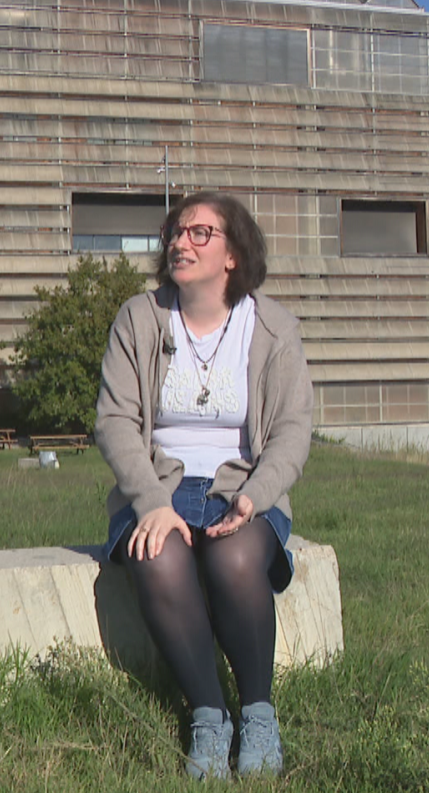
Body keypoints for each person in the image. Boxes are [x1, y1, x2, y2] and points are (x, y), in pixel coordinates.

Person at [95, 191, 313, 779]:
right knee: (158, 557)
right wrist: (152, 503)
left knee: (236, 559)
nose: (179, 243)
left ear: (233, 253)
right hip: (159, 485)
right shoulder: (139, 319)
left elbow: (294, 429)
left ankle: (259, 713)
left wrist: (255, 496)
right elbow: (114, 420)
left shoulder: (272, 327)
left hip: (240, 484)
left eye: (199, 234)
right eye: (174, 233)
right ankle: (209, 715)